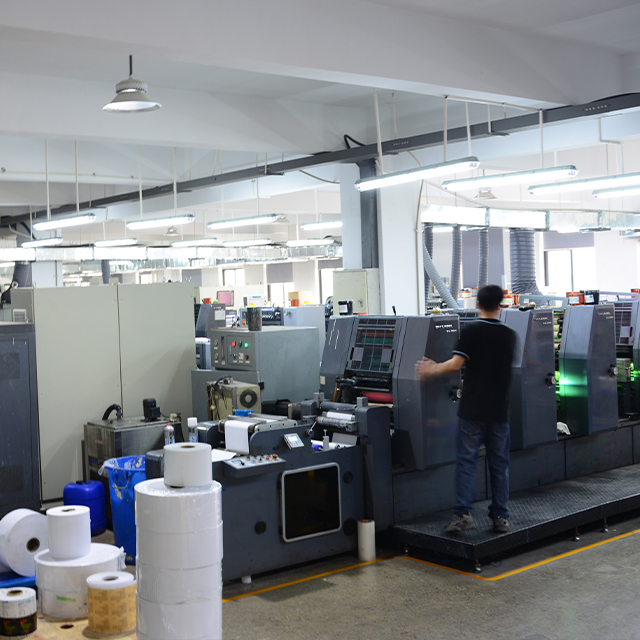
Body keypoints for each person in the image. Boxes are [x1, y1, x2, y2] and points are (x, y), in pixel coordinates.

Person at [415, 284, 516, 534]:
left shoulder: (471, 330)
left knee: (466, 463)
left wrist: (431, 369)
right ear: (500, 305)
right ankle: (500, 517)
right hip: (499, 411)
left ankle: (463, 515)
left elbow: (455, 364)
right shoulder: (509, 335)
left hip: (473, 410)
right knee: (499, 466)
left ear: (478, 304)